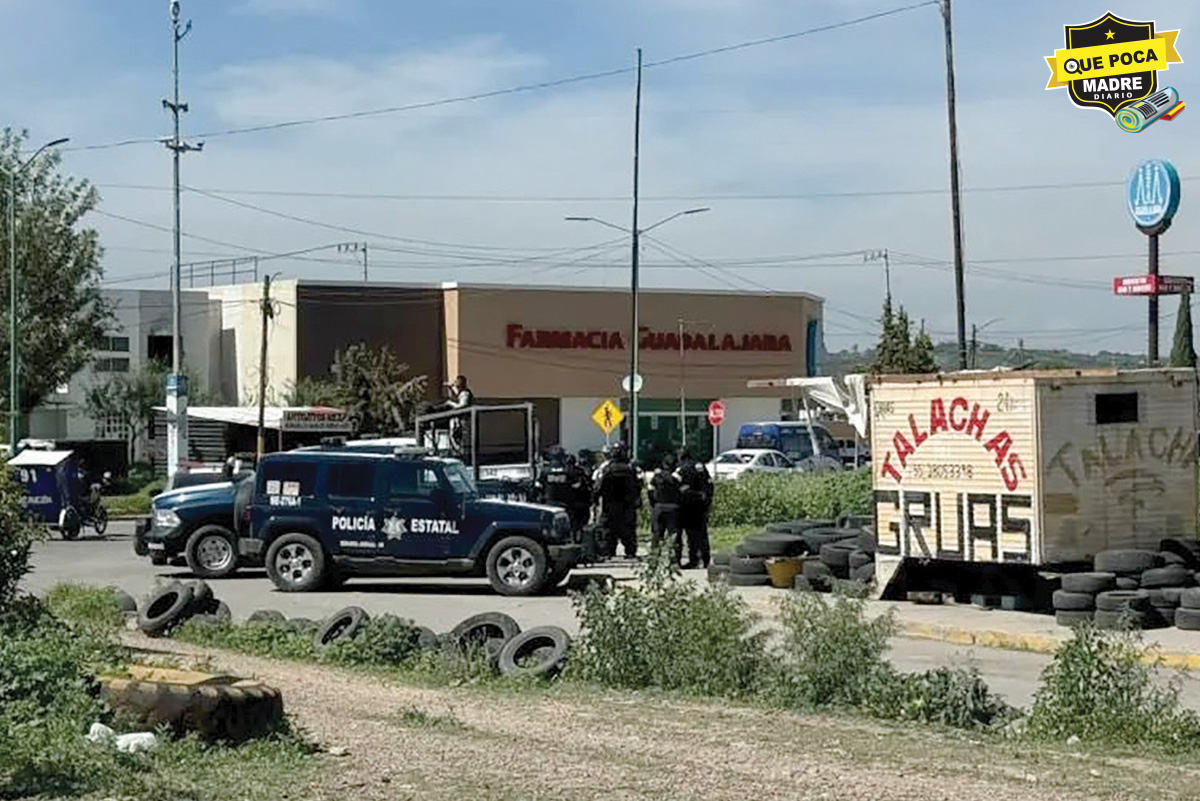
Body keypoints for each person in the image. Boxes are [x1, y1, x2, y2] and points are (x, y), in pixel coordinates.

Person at [596, 441, 641, 559]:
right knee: (628, 529)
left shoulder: (607, 469)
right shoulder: (630, 469)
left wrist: (595, 499)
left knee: (608, 529)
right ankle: (630, 551)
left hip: (610, 504)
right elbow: (637, 486)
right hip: (626, 505)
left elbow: (598, 487)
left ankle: (608, 552)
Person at [676, 448, 713, 569]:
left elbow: (676, 486)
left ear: (680, 457)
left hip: (688, 505)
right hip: (701, 504)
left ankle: (694, 559)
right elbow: (709, 484)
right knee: (702, 533)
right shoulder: (700, 466)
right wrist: (708, 501)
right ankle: (706, 559)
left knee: (691, 534)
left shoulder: (681, 469)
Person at [648, 452, 683, 565]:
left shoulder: (657, 477)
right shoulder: (677, 478)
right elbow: (682, 493)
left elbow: (650, 492)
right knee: (674, 535)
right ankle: (675, 560)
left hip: (659, 507)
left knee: (657, 534)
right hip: (673, 508)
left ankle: (654, 559)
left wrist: (654, 505)